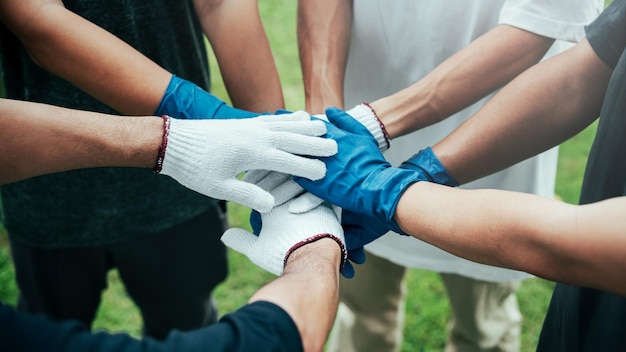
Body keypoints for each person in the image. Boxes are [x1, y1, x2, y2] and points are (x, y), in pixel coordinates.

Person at [293, 0, 626, 349]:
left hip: (494, 154)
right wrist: (339, 127)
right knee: (363, 309)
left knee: (481, 329)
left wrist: (390, 183)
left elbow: (567, 247)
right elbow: (587, 70)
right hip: (358, 149)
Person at [0, 0, 284, 339]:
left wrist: (278, 151)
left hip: (182, 184)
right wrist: (196, 114)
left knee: (189, 326)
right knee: (44, 333)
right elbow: (35, 18)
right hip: (46, 181)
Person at [0, 97, 344, 352]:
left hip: (172, 210)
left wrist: (169, 143)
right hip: (47, 215)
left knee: (187, 311)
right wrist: (313, 245)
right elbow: (273, 337)